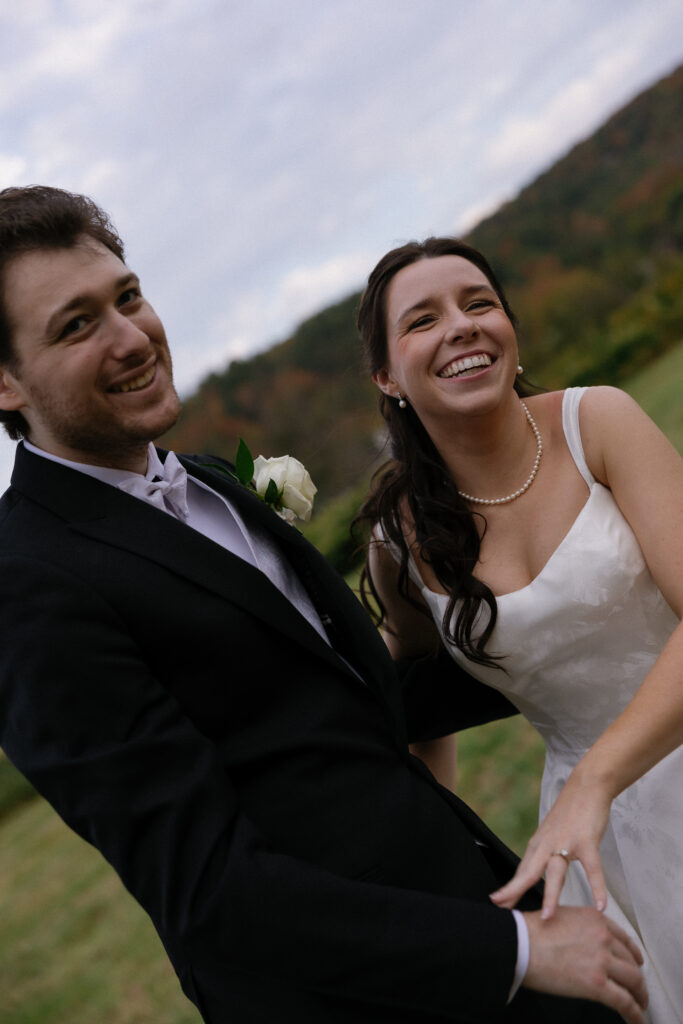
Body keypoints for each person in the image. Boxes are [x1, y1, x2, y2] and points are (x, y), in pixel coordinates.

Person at [0, 188, 647, 1024]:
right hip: (367, 995)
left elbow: (334, 707)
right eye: (76, 325)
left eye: (127, 297)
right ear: (6, 382)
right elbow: (210, 893)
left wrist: (581, 630)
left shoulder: (208, 482)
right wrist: (513, 952)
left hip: (480, 909)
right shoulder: (27, 581)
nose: (131, 338)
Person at [357, 236, 683, 1024]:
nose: (461, 326)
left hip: (597, 791)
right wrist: (437, 863)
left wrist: (593, 783)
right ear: (386, 377)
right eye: (422, 320)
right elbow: (414, 706)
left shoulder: (594, 421)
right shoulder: (395, 546)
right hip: (595, 849)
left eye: (478, 304)